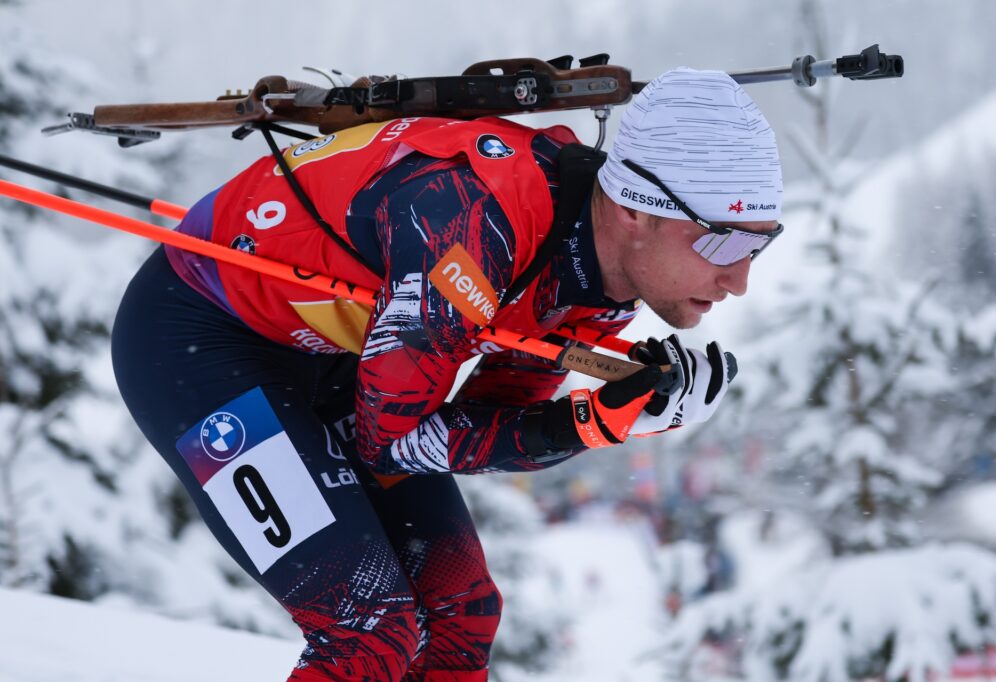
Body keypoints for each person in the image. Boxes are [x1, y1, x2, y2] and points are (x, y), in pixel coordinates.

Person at [110, 66, 783, 681]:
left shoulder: (603, 277)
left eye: (760, 242)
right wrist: (586, 424)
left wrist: (617, 412)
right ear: (635, 209)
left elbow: (489, 412)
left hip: (335, 357)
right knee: (369, 632)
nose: (740, 278)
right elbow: (394, 442)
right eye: (722, 240)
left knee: (463, 614)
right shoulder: (473, 224)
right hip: (200, 340)